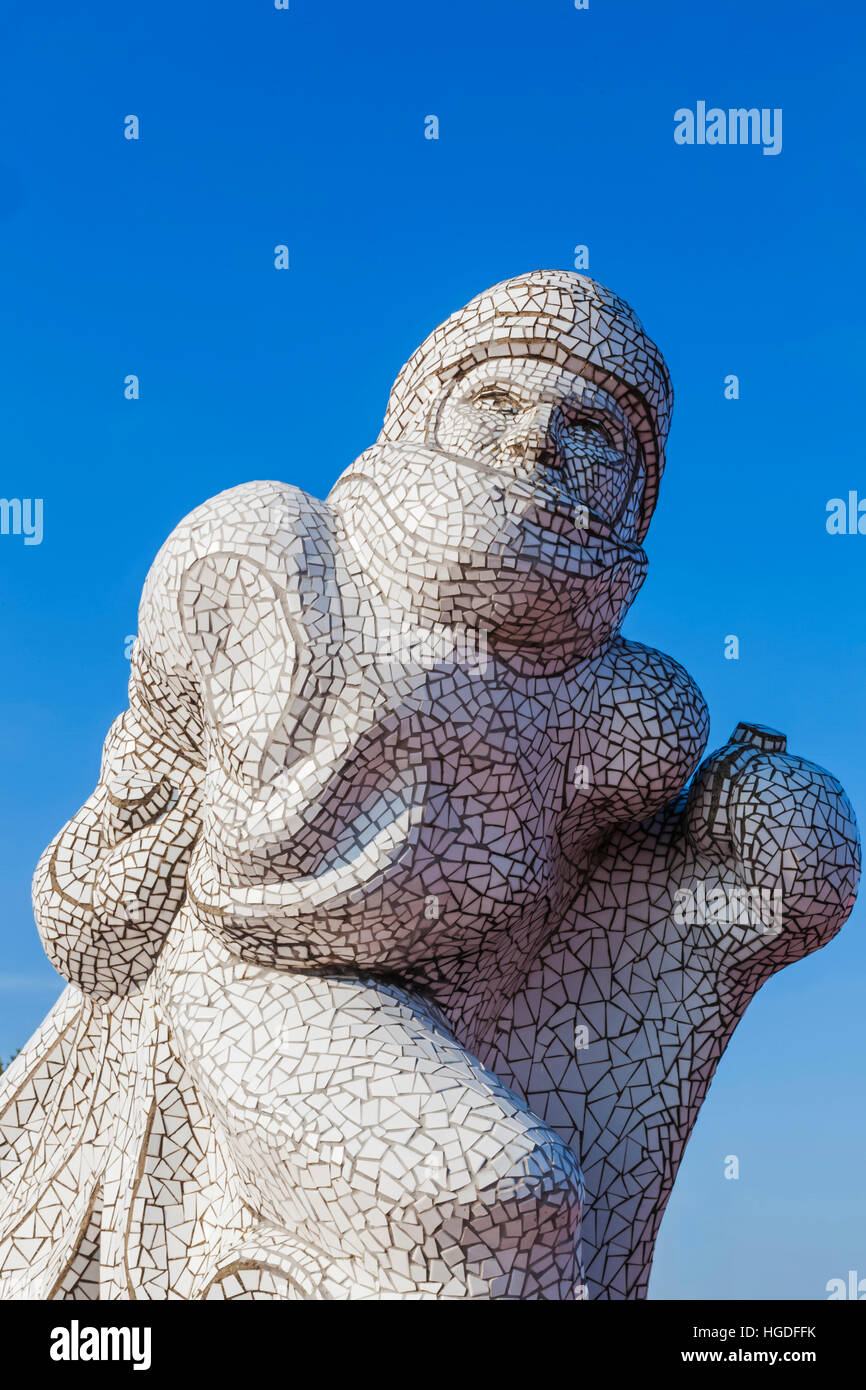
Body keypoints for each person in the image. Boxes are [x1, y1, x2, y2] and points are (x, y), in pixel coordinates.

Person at [0, 271, 858, 1299]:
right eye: (494, 401)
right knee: (482, 1206)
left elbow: (617, 893)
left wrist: (770, 838)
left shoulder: (637, 712)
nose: (537, 439)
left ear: (639, 489)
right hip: (256, 978)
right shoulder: (271, 559)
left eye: (591, 425)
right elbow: (111, 861)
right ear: (423, 415)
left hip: (474, 1006)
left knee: (520, 1208)